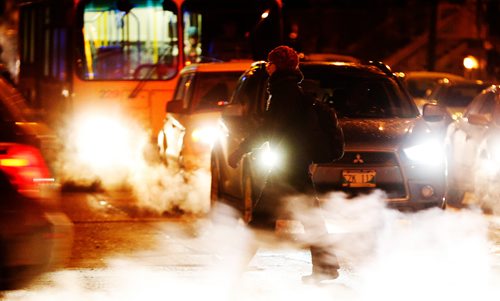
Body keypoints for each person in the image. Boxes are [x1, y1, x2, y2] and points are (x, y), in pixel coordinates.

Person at [227, 45, 340, 283]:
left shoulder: (282, 93)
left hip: (287, 168)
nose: (268, 67)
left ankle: (233, 270)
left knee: (262, 219)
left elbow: (269, 128)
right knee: (309, 219)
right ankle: (326, 267)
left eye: (270, 63)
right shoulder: (291, 91)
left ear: (276, 66)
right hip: (296, 164)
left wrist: (240, 150)